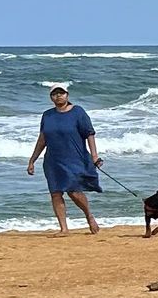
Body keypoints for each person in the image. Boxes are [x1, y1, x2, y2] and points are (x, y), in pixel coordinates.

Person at [26, 84, 102, 233]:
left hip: (75, 159)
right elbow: (42, 139)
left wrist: (94, 156)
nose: (58, 96)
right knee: (55, 192)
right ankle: (64, 229)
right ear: (51, 97)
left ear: (67, 95)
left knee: (74, 191)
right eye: (54, 94)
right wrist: (32, 160)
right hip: (53, 161)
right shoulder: (47, 115)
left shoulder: (78, 112)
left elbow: (89, 134)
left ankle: (89, 217)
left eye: (61, 93)